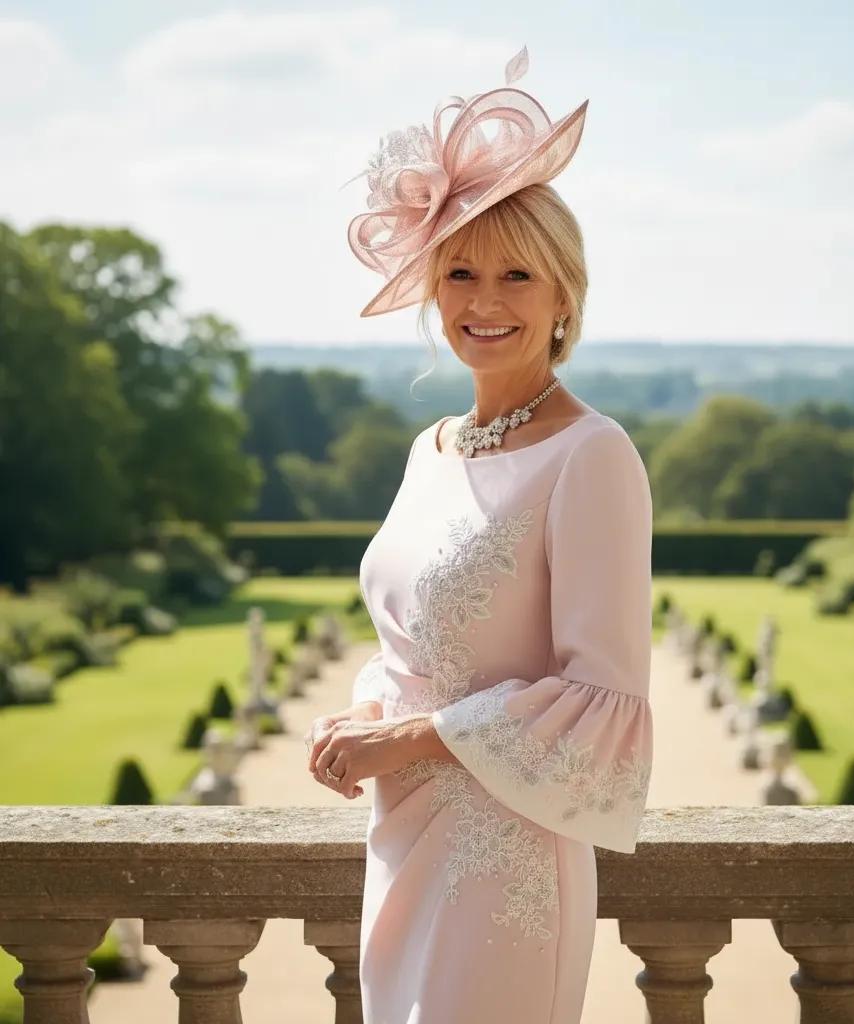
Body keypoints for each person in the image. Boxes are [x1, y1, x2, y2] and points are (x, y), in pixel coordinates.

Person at [304, 46, 654, 1024]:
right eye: (459, 271)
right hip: (403, 836)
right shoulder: (432, 445)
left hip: (509, 866)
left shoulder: (594, 455)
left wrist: (406, 740)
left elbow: (604, 696)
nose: (485, 301)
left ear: (562, 297)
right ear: (431, 288)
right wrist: (360, 719)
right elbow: (413, 635)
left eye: (515, 274)